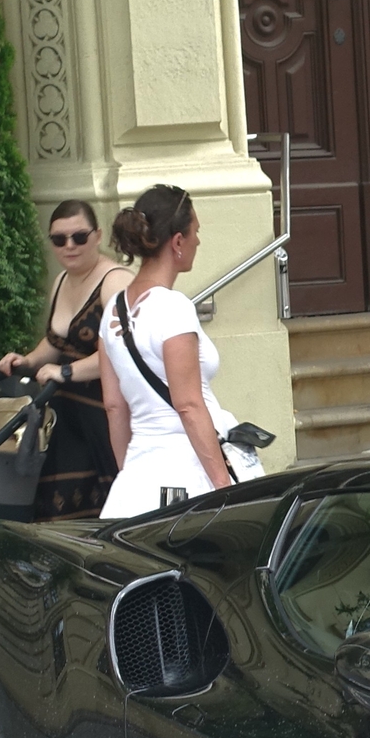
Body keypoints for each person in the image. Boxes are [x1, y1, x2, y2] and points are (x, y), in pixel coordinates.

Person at [93, 184, 261, 519]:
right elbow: (188, 405)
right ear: (178, 242)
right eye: (195, 231)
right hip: (190, 470)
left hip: (140, 471)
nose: (198, 240)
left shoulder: (113, 308)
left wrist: (132, 475)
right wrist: (223, 487)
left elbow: (114, 406)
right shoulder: (174, 308)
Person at [0, 199, 132, 519]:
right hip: (66, 418)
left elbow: (122, 353)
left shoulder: (115, 281)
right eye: (59, 239)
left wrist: (66, 371)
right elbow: (56, 342)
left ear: (97, 236)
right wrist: (26, 361)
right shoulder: (61, 281)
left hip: (106, 416)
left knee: (108, 507)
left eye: (79, 237)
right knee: (57, 509)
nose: (69, 246)